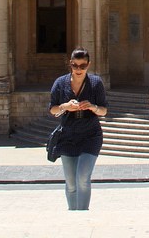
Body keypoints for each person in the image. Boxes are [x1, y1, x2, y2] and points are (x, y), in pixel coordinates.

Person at [49, 46, 108, 211]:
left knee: (83, 177)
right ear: (70, 64)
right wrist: (65, 106)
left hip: (91, 135)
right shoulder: (60, 83)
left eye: (82, 66)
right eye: (75, 66)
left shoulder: (95, 83)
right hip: (68, 135)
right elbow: (53, 109)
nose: (79, 69)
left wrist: (92, 107)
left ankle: (82, 215)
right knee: (71, 183)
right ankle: (72, 214)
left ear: (88, 65)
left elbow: (104, 110)